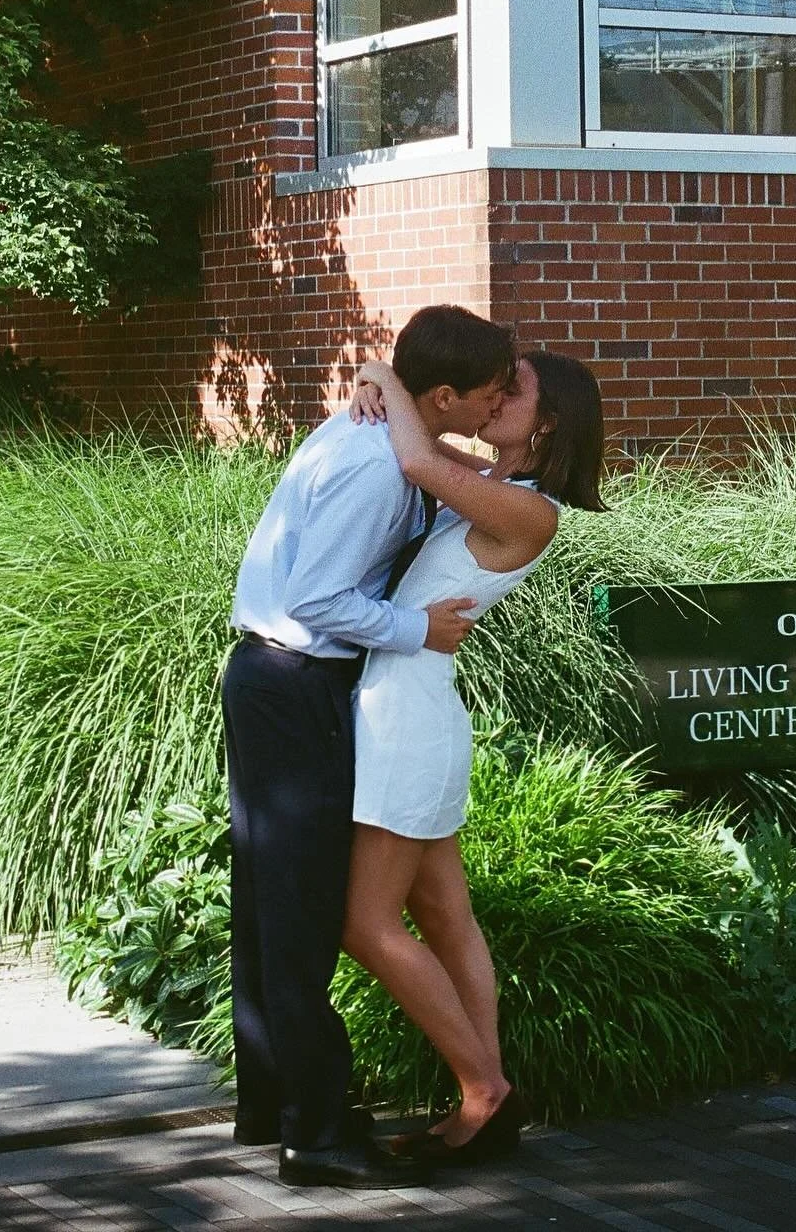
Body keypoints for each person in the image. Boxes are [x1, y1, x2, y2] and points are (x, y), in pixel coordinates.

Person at [221, 304, 516, 1189]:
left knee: (275, 904)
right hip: (294, 682)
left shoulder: (385, 434)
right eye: (493, 390)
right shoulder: (378, 470)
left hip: (278, 683)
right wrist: (414, 628)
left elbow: (441, 462)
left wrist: (377, 379)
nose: (500, 401)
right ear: (444, 394)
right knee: (303, 912)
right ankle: (315, 1136)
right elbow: (317, 598)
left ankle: (275, 1106)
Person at [342, 349, 607, 1166]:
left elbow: (417, 456)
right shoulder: (502, 488)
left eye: (513, 387)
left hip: (408, 721)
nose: (493, 395)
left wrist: (379, 372)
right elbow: (426, 448)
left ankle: (483, 1088)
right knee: (446, 919)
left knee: (362, 922)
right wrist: (380, 391)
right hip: (409, 709)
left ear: (550, 419)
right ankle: (486, 1096)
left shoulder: (532, 513)